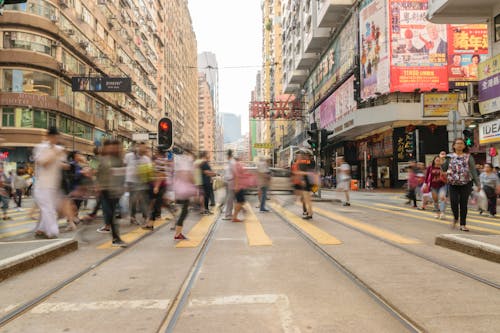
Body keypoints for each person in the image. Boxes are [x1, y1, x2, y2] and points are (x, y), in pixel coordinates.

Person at [33, 127, 66, 238]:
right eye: (53, 137)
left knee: (47, 209)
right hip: (42, 184)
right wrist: (55, 154)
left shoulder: (59, 148)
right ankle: (53, 232)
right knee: (48, 209)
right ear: (48, 137)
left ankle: (41, 229)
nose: (55, 139)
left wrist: (67, 165)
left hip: (54, 184)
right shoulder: (41, 148)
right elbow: (42, 163)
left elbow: (62, 164)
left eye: (57, 137)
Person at [441, 138, 480, 231]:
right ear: (454, 146)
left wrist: (478, 183)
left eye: (461, 143)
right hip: (452, 183)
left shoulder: (468, 157)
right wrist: (442, 160)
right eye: (457, 143)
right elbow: (443, 169)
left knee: (463, 204)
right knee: (453, 202)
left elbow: (473, 170)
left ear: (464, 146)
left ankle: (463, 224)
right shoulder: (449, 157)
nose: (459, 145)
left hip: (466, 183)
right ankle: (455, 217)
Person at [97, 140, 127, 247]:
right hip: (105, 190)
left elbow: (122, 174)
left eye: (114, 147)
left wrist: (123, 186)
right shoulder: (103, 159)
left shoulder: (119, 160)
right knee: (110, 214)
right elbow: (99, 173)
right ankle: (116, 238)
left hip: (114, 191)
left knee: (111, 214)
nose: (112, 149)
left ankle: (115, 238)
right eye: (110, 147)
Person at [173, 147, 195, 240]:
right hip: (185, 190)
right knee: (184, 211)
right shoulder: (187, 161)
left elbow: (176, 176)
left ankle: (177, 229)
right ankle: (178, 233)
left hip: (178, 189)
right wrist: (195, 186)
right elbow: (189, 176)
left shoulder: (178, 160)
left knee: (183, 209)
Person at [199, 151, 216, 215]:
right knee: (206, 196)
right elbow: (206, 172)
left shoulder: (204, 162)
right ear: (205, 155)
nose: (209, 155)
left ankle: (205, 209)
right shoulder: (204, 163)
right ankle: (205, 210)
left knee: (206, 196)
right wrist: (214, 174)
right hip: (205, 182)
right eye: (208, 154)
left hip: (205, 181)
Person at [222, 149, 236, 220]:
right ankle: (229, 213)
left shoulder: (232, 162)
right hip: (228, 182)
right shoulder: (229, 162)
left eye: (226, 155)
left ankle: (228, 215)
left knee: (230, 199)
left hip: (231, 182)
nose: (226, 156)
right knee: (230, 198)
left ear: (228, 155)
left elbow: (234, 173)